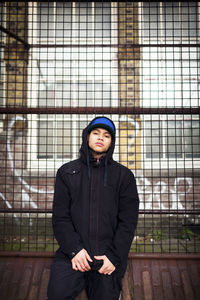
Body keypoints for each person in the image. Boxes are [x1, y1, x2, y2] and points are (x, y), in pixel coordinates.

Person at [47, 116, 139, 300]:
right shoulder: (67, 172)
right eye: (95, 133)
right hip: (72, 255)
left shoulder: (124, 176)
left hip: (107, 258)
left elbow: (127, 223)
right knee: (57, 295)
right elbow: (60, 218)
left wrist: (114, 257)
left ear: (111, 142)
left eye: (106, 135)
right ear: (87, 137)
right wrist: (74, 250)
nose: (100, 138)